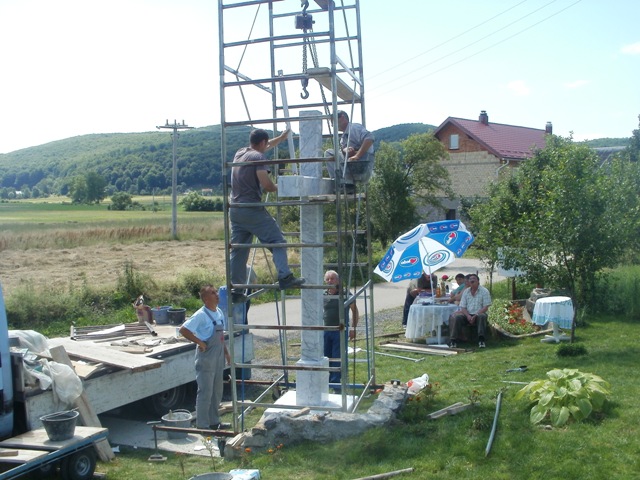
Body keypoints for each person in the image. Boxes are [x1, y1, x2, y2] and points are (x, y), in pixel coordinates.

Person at [229, 128, 305, 303]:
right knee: (277, 241)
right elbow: (267, 185)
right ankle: (285, 277)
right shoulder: (259, 158)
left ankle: (236, 289)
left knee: (239, 251)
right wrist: (284, 186)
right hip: (251, 209)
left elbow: (267, 145)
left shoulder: (240, 153)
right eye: (266, 143)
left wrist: (282, 138)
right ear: (262, 142)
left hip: (235, 209)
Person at [179, 285, 231, 430]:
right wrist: (200, 342)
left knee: (217, 390)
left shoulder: (219, 312)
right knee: (205, 392)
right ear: (206, 299)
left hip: (219, 355)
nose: (217, 295)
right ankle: (202, 425)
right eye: (213, 293)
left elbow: (221, 337)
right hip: (206, 358)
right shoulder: (201, 315)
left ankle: (214, 421)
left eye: (216, 292)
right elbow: (184, 330)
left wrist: (226, 353)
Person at [323, 270, 359, 389]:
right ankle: (326, 380)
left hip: (340, 330)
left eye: (332, 279)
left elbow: (355, 311)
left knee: (337, 356)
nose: (330, 281)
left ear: (337, 280)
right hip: (326, 330)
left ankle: (336, 383)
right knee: (326, 356)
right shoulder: (323, 294)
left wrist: (353, 328)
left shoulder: (344, 293)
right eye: (327, 279)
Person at [324, 110, 375, 190]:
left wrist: (356, 156)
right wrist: (345, 150)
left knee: (329, 153)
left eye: (333, 122)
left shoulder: (354, 128)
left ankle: (343, 184)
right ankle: (342, 183)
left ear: (342, 118)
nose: (333, 125)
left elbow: (370, 138)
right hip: (354, 168)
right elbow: (344, 154)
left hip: (363, 166)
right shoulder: (343, 138)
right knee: (331, 153)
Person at [448, 274, 492, 349]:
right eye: (470, 280)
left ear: (478, 281)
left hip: (479, 313)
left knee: (482, 316)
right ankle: (453, 340)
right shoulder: (466, 292)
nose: (472, 281)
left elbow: (486, 307)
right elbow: (463, 307)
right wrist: (468, 316)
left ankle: (481, 340)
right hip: (467, 314)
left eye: (474, 279)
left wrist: (476, 315)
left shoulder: (484, 291)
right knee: (456, 317)